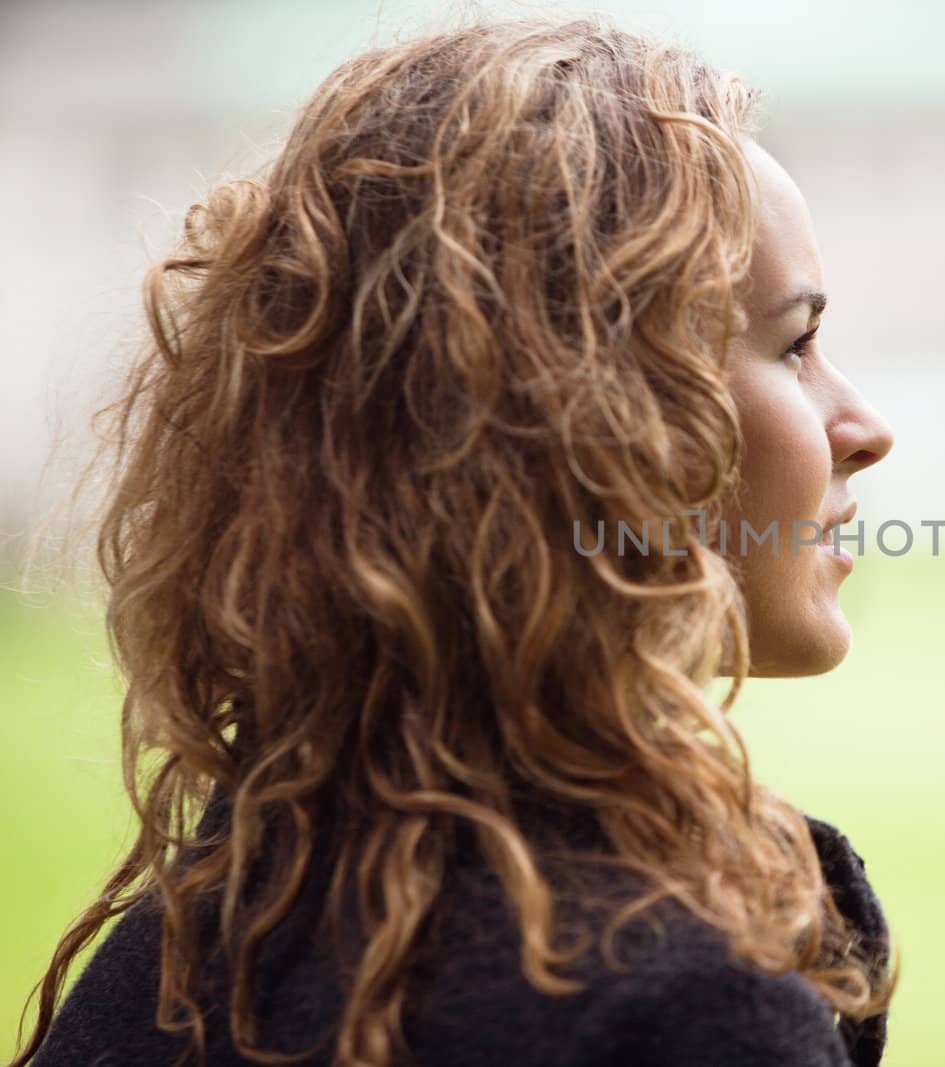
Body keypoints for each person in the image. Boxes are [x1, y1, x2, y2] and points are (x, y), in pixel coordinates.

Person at [14, 15, 897, 1067]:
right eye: (795, 345)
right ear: (580, 425)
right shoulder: (674, 1005)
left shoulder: (182, 954)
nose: (865, 427)